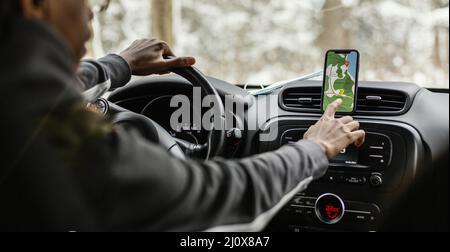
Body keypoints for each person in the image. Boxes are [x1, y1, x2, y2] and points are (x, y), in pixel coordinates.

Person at [0, 0, 365, 232]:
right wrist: (316, 148)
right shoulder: (49, 131)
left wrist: (119, 64)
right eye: (89, 0)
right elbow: (219, 199)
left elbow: (51, 86)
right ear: (34, 4)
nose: (92, 11)